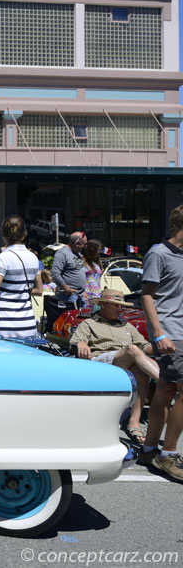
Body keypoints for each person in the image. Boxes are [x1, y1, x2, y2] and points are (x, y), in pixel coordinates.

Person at [74, 288, 158, 444]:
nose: (120, 309)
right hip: (101, 362)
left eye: (121, 306)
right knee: (133, 349)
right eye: (116, 305)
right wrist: (81, 342)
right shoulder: (89, 323)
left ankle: (134, 421)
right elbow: (76, 342)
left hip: (125, 361)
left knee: (140, 371)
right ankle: (165, 380)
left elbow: (145, 346)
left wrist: (163, 345)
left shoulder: (127, 326)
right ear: (103, 305)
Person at [138, 205, 183, 481]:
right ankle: (168, 454)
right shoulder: (159, 252)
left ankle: (149, 449)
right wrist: (158, 333)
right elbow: (146, 295)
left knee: (166, 390)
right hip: (170, 332)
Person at [0, 215, 43, 339]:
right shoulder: (33, 257)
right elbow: (39, 291)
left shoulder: (3, 258)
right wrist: (22, 289)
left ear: (3, 235)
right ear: (24, 234)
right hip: (28, 323)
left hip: (6, 323)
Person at [52, 232, 87, 305]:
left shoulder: (77, 253)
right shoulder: (62, 253)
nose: (85, 247)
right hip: (68, 296)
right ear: (77, 243)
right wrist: (66, 288)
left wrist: (84, 291)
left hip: (80, 295)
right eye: (84, 244)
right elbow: (55, 274)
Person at [82, 238, 103, 302]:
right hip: (87, 295)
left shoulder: (97, 262)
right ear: (92, 250)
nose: (99, 252)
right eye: (98, 250)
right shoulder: (82, 261)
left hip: (97, 295)